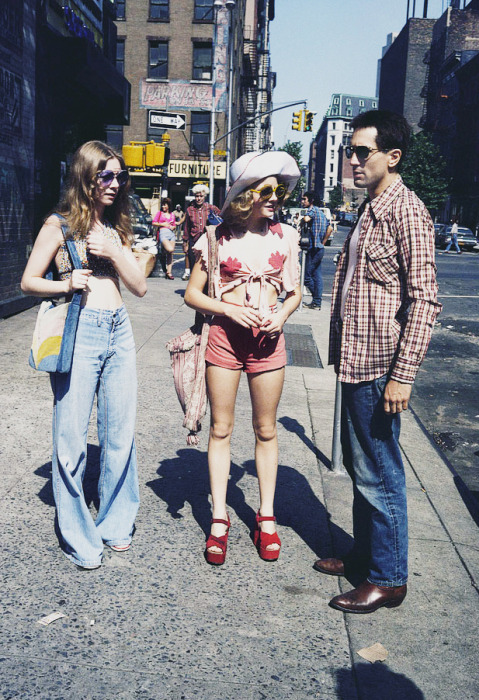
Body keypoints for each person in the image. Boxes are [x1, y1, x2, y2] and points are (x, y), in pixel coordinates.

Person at [314, 110, 441, 613]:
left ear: (392, 156)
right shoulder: (371, 207)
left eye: (361, 151)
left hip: (380, 367)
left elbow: (425, 299)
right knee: (359, 463)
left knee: (379, 472)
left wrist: (402, 375)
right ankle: (365, 555)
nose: (353, 159)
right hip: (356, 360)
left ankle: (388, 578)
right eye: (350, 150)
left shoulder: (405, 210)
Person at [21, 140, 147, 570]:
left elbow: (140, 286)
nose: (115, 184)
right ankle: (77, 534)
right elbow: (28, 281)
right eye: (106, 175)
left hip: (120, 331)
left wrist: (113, 249)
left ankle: (115, 523)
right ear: (86, 176)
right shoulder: (58, 226)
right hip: (82, 333)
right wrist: (66, 283)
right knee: (72, 439)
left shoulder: (116, 225)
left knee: (119, 435)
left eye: (120, 176)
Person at [184, 151, 301, 566]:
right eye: (266, 190)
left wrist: (281, 315)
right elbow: (192, 294)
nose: (275, 197)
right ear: (244, 195)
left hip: (269, 343)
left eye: (279, 190)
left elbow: (295, 293)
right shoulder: (216, 238)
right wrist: (229, 309)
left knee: (266, 430)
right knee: (221, 428)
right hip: (224, 340)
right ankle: (219, 519)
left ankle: (265, 519)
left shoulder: (285, 236)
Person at [300, 192, 332, 310]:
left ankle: (316, 300)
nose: (302, 201)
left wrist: (301, 222)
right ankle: (316, 303)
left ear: (311, 200)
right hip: (319, 248)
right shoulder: (322, 213)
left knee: (306, 276)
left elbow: (306, 218)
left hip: (313, 248)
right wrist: (323, 242)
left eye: (304, 199)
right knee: (316, 275)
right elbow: (330, 228)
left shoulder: (312, 210)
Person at [182, 184, 220, 281]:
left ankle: (205, 288)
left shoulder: (211, 208)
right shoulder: (189, 209)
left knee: (205, 265)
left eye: (201, 196)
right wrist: (185, 243)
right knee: (193, 264)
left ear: (204, 196)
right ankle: (194, 287)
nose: (198, 198)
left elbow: (221, 217)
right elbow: (186, 227)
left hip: (206, 241)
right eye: (197, 196)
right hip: (193, 240)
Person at [152, 198, 176, 279]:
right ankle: (163, 251)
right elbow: (154, 223)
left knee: (170, 253)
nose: (163, 206)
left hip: (171, 234)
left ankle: (169, 272)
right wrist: (163, 224)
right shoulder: (159, 213)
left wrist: (173, 227)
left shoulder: (172, 214)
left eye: (165, 205)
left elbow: (174, 225)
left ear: (168, 206)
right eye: (162, 205)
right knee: (169, 249)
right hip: (163, 233)